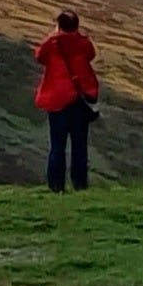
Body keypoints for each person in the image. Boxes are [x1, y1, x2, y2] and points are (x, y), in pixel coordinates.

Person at [33, 10, 99, 192]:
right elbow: (91, 55)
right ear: (76, 25)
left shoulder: (52, 44)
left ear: (59, 25)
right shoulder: (83, 43)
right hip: (78, 100)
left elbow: (39, 56)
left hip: (57, 100)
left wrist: (54, 34)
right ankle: (80, 184)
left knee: (57, 145)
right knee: (79, 145)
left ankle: (56, 187)